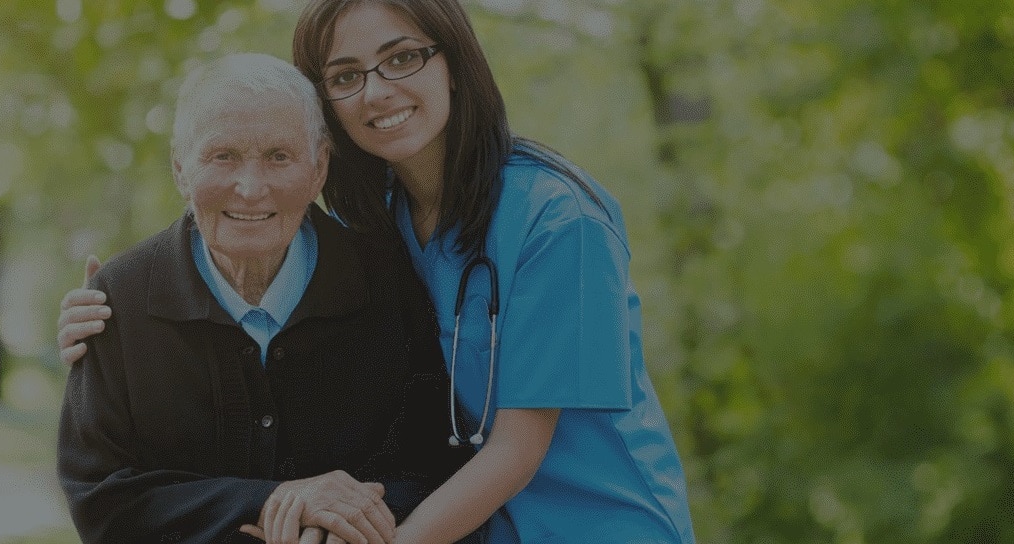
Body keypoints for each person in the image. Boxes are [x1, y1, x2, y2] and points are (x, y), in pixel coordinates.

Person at [59, 1, 697, 542]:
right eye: (345, 75)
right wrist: (114, 314)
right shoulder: (383, 223)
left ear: (454, 63)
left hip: (599, 523)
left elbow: (513, 452)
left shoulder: (557, 222)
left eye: (402, 59)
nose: (377, 91)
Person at [56, 52, 475, 544]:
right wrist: (275, 499)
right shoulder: (117, 302)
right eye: (223, 156)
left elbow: (437, 463)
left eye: (279, 156)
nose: (251, 188)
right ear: (181, 170)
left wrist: (342, 521)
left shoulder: (386, 281)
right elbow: (100, 499)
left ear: (318, 171)